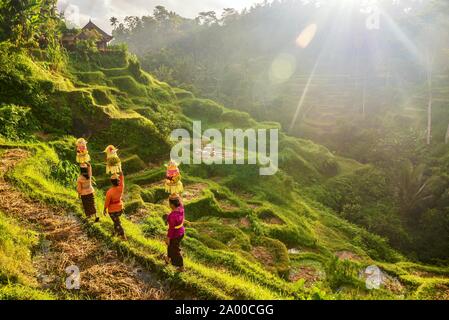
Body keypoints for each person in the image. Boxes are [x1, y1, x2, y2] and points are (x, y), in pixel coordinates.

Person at [103, 171, 127, 240]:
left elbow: (107, 202)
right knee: (116, 221)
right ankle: (115, 233)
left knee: (117, 223)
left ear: (111, 182)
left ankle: (123, 236)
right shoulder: (121, 187)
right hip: (120, 209)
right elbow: (122, 178)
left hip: (113, 211)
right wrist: (120, 171)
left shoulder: (109, 192)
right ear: (118, 181)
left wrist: (104, 209)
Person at [165, 194, 185, 272]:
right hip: (181, 231)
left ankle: (181, 266)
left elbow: (171, 229)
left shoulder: (172, 216)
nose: (169, 205)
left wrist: (168, 238)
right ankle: (168, 258)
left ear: (172, 205)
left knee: (175, 250)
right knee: (170, 246)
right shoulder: (181, 208)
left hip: (175, 234)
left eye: (169, 203)